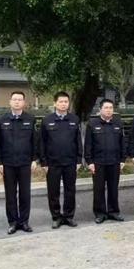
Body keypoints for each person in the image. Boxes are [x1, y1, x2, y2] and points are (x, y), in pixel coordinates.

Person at [0, 91, 38, 234]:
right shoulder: (2, 120)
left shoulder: (30, 119)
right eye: (14, 99)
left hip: (25, 163)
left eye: (20, 99)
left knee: (25, 193)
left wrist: (34, 159)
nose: (17, 102)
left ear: (24, 102)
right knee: (10, 194)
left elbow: (34, 141)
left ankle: (24, 221)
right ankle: (13, 222)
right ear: (10, 102)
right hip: (8, 163)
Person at [40, 91, 82, 229]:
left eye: (66, 102)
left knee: (70, 190)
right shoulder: (47, 120)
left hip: (70, 162)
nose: (63, 104)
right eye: (61, 101)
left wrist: (79, 160)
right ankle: (56, 217)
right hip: (53, 163)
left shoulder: (74, 119)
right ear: (55, 103)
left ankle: (69, 216)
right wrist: (44, 162)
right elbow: (42, 142)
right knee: (53, 191)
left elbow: (78, 141)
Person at [85, 99, 126, 223]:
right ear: (100, 109)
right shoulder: (92, 124)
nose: (109, 110)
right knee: (99, 189)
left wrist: (122, 160)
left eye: (111, 108)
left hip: (114, 162)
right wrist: (89, 162)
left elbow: (122, 143)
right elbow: (88, 144)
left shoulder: (118, 123)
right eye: (106, 108)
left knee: (113, 188)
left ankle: (114, 212)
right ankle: (100, 213)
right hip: (98, 163)